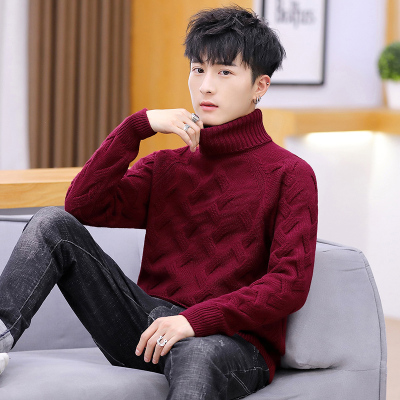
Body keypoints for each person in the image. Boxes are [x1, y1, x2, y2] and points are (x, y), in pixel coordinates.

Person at [0, 5, 318, 399]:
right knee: (52, 223)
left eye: (224, 72)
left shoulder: (291, 174)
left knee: (198, 352)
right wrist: (138, 126)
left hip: (231, 342)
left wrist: (195, 321)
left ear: (260, 86)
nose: (206, 86)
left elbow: (289, 284)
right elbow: (82, 204)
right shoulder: (166, 166)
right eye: (198, 69)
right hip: (149, 330)